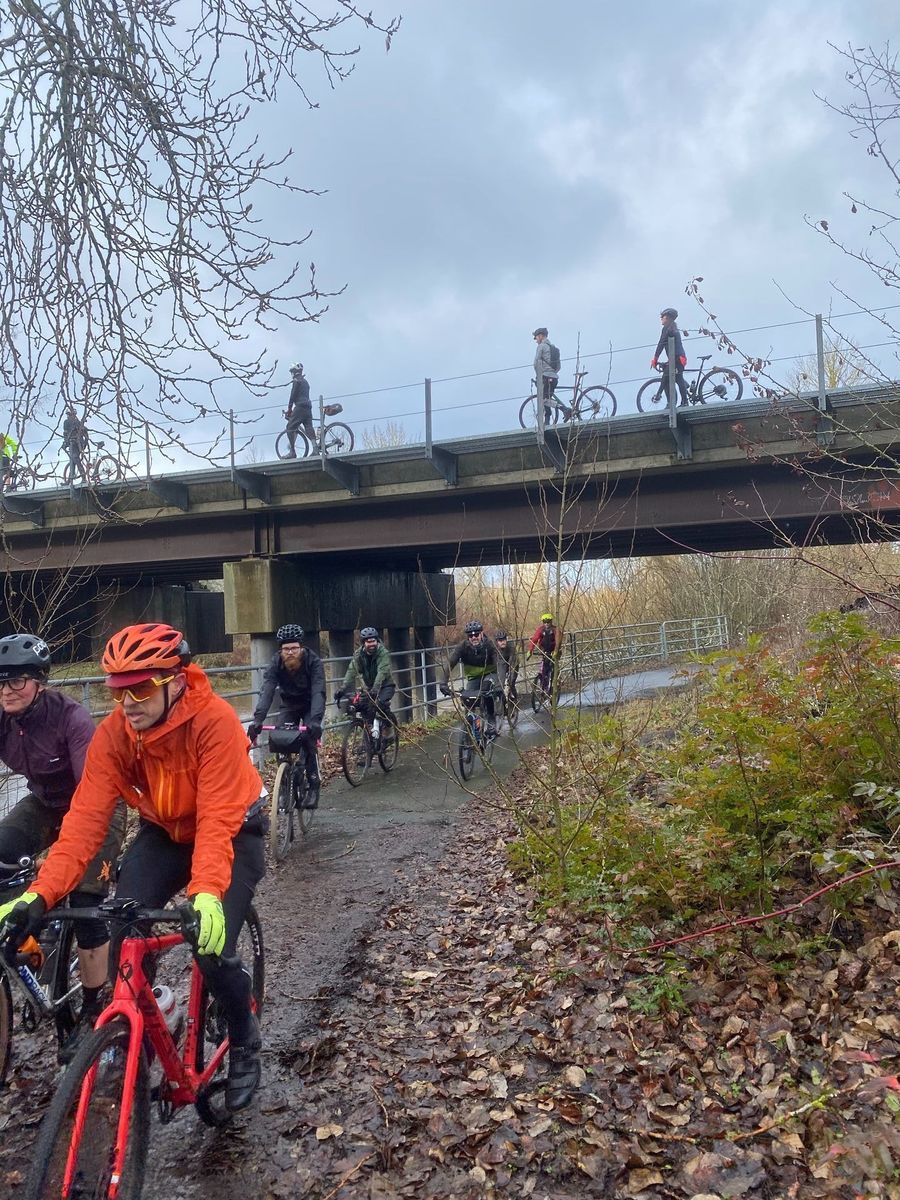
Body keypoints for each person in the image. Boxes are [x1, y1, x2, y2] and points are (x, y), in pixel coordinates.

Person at [0, 622, 267, 1111]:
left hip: (232, 830)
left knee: (211, 946)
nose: (127, 703)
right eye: (118, 690)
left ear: (177, 681)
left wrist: (206, 892)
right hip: (164, 832)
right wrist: (40, 894)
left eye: (140, 689)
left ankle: (244, 1035)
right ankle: (144, 1026)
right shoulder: (115, 735)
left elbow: (216, 819)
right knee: (123, 928)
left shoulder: (215, 722)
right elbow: (83, 824)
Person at [0, 632, 126, 1061]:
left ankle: (92, 1008)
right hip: (46, 802)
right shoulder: (4, 718)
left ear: (39, 683)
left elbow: (92, 793)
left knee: (85, 901)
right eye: (0, 682)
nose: (7, 690)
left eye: (17, 681)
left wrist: (66, 857)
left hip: (96, 805)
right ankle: (31, 942)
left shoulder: (72, 718)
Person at [247, 623, 325, 808]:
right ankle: (284, 786)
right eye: (286, 649)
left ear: (301, 648)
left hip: (310, 704)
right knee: (281, 740)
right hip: (289, 704)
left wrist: (315, 721)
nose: (290, 652)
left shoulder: (313, 662)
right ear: (280, 651)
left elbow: (318, 692)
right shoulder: (276, 662)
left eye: (294, 648)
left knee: (308, 740)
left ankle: (313, 784)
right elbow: (267, 690)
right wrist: (258, 720)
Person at [335, 627, 396, 745]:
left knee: (380, 704)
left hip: (386, 685)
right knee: (363, 707)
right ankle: (368, 742)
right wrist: (342, 689)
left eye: (374, 641)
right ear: (363, 643)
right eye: (369, 642)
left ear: (377, 641)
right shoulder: (359, 655)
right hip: (369, 687)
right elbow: (351, 671)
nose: (372, 644)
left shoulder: (383, 653)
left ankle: (388, 728)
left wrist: (376, 688)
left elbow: (382, 672)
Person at [440, 621, 500, 737]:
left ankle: (491, 719)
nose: (473, 638)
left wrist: (499, 683)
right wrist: (443, 683)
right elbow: (450, 663)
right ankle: (471, 726)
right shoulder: (462, 647)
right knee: (468, 698)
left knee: (486, 691)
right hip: (473, 677)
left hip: (490, 673)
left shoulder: (490, 645)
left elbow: (499, 663)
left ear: (481, 634)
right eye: (470, 636)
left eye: (476, 634)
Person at [651, 308, 690, 406]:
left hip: (677, 359)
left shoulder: (668, 329)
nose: (661, 318)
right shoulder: (671, 328)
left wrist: (655, 359)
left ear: (668, 318)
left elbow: (661, 343)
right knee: (678, 378)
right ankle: (684, 398)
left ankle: (659, 395)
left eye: (663, 317)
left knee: (666, 376)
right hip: (676, 359)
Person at [284, 363, 317, 457]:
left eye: (292, 372)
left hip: (300, 407)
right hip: (308, 407)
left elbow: (292, 396)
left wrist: (289, 409)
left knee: (289, 427)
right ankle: (315, 449)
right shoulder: (306, 382)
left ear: (294, 372)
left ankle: (292, 452)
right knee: (309, 427)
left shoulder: (296, 381)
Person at [532, 328, 565, 423]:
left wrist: (539, 377)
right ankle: (547, 421)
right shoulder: (555, 349)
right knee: (547, 399)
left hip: (545, 377)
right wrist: (552, 372)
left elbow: (536, 363)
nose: (536, 341)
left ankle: (563, 409)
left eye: (536, 338)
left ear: (541, 336)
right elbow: (559, 367)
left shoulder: (541, 346)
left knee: (542, 399)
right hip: (554, 378)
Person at [529, 613, 561, 696]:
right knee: (544, 669)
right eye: (544, 622)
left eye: (548, 622)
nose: (546, 624)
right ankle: (543, 686)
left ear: (551, 622)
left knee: (554, 669)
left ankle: (554, 685)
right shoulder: (540, 630)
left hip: (554, 651)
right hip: (544, 650)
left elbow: (558, 642)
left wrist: (556, 651)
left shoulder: (555, 630)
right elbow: (534, 639)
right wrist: (530, 650)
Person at [62, 409, 89, 480]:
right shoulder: (76, 422)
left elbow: (66, 434)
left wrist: (85, 443)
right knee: (73, 460)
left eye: (70, 415)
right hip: (75, 443)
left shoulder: (73, 422)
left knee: (75, 458)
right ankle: (70, 479)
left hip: (75, 443)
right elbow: (66, 434)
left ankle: (83, 477)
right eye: (69, 415)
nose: (69, 416)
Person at [494, 630, 519, 703]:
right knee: (500, 682)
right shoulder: (495, 649)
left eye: (504, 639)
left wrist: (510, 674)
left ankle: (515, 699)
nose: (502, 642)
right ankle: (501, 700)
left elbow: (513, 661)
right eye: (500, 640)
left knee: (511, 682)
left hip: (513, 663)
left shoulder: (511, 647)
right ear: (497, 641)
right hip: (503, 664)